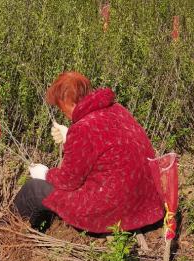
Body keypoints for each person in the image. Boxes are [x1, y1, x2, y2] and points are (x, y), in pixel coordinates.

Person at [12, 71, 164, 233]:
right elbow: (105, 145)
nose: (61, 111)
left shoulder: (83, 128)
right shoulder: (117, 109)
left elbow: (68, 181)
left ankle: (4, 234)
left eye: (60, 106)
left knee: (33, 189)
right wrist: (69, 136)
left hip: (114, 209)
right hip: (146, 204)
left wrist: (44, 174)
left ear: (67, 102)